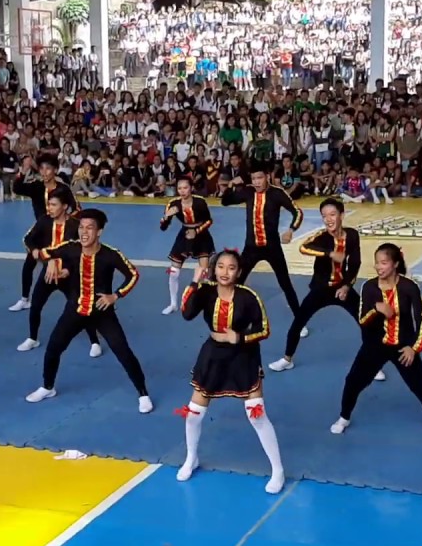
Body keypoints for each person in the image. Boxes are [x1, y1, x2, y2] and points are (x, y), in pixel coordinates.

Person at [175, 249, 285, 494]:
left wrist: (240, 337)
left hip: (244, 357)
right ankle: (191, 457)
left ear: (239, 272)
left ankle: (277, 470)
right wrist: (194, 282)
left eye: (231, 267)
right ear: (214, 269)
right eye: (221, 266)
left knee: (256, 415)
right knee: (193, 414)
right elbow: (187, 313)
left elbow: (264, 329)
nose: (225, 272)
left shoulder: (248, 296)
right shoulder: (205, 291)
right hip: (213, 356)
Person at [27, 208, 152, 413]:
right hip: (75, 309)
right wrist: (50, 260)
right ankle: (47, 387)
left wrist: (115, 295)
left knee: (123, 352)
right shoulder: (70, 248)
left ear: (99, 231)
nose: (84, 232)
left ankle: (143, 394)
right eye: (81, 227)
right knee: (53, 348)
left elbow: (133, 275)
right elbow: (44, 252)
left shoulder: (111, 254)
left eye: (89, 228)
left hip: (102, 312)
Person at [330, 243, 422, 444]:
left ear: (395, 264)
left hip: (403, 347)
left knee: (421, 387)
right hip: (374, 346)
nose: (378, 267)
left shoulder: (409, 287)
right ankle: (344, 417)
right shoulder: (368, 287)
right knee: (353, 382)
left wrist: (414, 348)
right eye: (377, 263)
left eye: (384, 263)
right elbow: (362, 320)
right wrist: (376, 309)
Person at [271, 198, 384, 381]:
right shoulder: (322, 237)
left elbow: (355, 263)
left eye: (332, 214)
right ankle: (287, 359)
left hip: (342, 288)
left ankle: (372, 365)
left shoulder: (352, 235)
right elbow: (303, 248)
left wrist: (346, 286)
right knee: (298, 322)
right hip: (320, 289)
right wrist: (330, 253)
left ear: (342, 215)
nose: (328, 219)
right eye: (324, 216)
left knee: (367, 322)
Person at [16, 189, 102, 356]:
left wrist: (67, 269)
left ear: (64, 206)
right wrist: (36, 252)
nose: (49, 208)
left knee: (81, 307)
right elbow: (28, 239)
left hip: (69, 275)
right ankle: (33, 338)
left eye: (53, 205)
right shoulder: (44, 221)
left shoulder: (76, 226)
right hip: (49, 273)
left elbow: (81, 252)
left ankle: (94, 341)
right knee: (36, 305)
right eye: (48, 204)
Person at [221, 163, 303, 316]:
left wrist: (291, 230)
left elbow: (297, 212)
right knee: (237, 282)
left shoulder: (277, 193)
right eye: (253, 179)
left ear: (267, 177)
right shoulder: (248, 192)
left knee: (285, 284)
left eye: (259, 178)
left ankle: (299, 319)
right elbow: (225, 201)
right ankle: (230, 317)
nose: (256, 182)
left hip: (272, 248)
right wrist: (230, 185)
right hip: (251, 248)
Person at [9, 155, 80, 312]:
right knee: (29, 264)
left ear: (55, 170)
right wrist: (23, 171)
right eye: (41, 168)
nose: (44, 172)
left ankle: (81, 300)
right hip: (42, 233)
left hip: (60, 234)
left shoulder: (63, 189)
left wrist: (67, 223)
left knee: (71, 266)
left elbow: (76, 208)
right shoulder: (36, 186)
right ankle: (24, 299)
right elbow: (17, 188)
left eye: (48, 168)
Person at [159, 177, 216, 315]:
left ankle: (205, 302)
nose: (182, 191)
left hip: (201, 235)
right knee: (174, 271)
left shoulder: (200, 202)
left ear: (191, 188)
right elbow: (163, 228)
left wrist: (196, 231)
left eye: (185, 188)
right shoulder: (173, 203)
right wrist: (166, 217)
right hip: (184, 235)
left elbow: (209, 221)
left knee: (204, 272)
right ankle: (173, 304)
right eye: (179, 188)